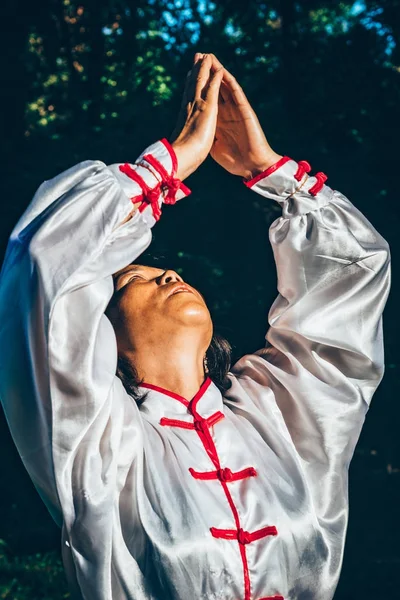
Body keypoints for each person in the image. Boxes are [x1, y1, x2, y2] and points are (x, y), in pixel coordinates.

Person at [0, 51, 391, 600]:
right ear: (102, 336)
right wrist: (171, 162)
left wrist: (269, 170)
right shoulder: (101, 447)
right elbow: (46, 266)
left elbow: (353, 273)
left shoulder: (281, 417)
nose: (168, 275)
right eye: (139, 277)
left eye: (168, 269)